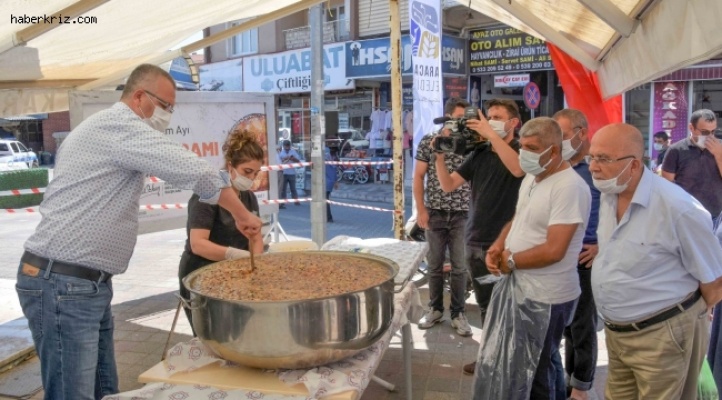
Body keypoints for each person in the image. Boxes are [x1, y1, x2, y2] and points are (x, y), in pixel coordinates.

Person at [15, 63, 261, 400]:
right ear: (140, 97)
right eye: (165, 106)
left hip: (85, 284)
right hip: (63, 283)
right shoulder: (120, 125)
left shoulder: (108, 128)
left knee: (105, 391)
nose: (168, 115)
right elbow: (195, 172)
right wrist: (242, 213)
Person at [590, 123, 722, 399]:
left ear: (634, 164)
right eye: (592, 157)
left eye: (603, 158)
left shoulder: (679, 208)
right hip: (617, 335)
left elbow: (714, 283)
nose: (593, 166)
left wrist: (680, 321)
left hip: (663, 337)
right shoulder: (609, 194)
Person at [482, 117, 590, 399]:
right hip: (523, 288)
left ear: (554, 151)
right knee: (540, 361)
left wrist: (512, 260)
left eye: (531, 148)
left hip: (548, 297)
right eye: (522, 146)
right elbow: (521, 216)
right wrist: (498, 244)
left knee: (536, 372)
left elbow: (555, 249)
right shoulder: (534, 175)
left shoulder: (569, 187)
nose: (523, 154)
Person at [433, 98, 525, 374]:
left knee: (510, 310)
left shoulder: (521, 151)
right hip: (475, 241)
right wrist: (438, 156)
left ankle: (512, 365)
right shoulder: (482, 153)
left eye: (496, 117)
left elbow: (518, 169)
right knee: (486, 307)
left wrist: (487, 134)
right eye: (489, 115)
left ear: (513, 123)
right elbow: (448, 185)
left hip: (505, 245)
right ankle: (490, 359)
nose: (490, 121)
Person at [178, 127, 265, 334]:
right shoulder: (207, 194)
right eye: (246, 172)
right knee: (212, 338)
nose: (251, 178)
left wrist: (257, 261)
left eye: (255, 173)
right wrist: (234, 255)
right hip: (201, 273)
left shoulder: (248, 197)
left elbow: (255, 237)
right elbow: (198, 244)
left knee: (239, 335)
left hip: (235, 276)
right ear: (230, 166)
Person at [413, 97, 473, 336]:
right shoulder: (429, 141)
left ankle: (459, 313)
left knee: (460, 267)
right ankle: (435, 309)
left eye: (464, 119)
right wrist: (421, 210)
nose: (462, 124)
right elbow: (418, 176)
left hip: (463, 213)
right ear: (447, 117)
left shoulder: (471, 142)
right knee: (435, 266)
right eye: (458, 119)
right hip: (435, 211)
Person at [553, 109, 600, 400]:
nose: (559, 140)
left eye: (564, 133)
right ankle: (570, 381)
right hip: (560, 256)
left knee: (583, 327)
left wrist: (601, 245)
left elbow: (621, 210)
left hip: (585, 256)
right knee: (567, 326)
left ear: (581, 133)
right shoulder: (556, 167)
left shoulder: (598, 167)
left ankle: (581, 387)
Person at [661, 109, 722, 220]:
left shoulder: (720, 147)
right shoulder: (676, 150)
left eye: (713, 131)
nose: (710, 136)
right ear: (691, 128)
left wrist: (719, 155)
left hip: (716, 215)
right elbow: (665, 186)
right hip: (685, 215)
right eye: (704, 132)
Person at [279, 139, 302, 208]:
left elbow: (298, 160)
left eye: (288, 145)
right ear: (283, 146)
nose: (287, 147)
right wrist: (285, 158)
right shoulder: (281, 153)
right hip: (284, 173)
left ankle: (296, 200)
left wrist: (292, 158)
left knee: (293, 188)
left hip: (291, 173)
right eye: (286, 145)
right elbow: (279, 161)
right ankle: (283, 202)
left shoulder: (293, 152)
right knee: (283, 189)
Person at [324, 146, 339, 222]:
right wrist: (336, 181)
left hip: (325, 184)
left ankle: (328, 217)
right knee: (326, 201)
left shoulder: (326, 163)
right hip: (329, 183)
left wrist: (335, 181)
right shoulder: (332, 162)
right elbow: (334, 173)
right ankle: (328, 217)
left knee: (325, 201)